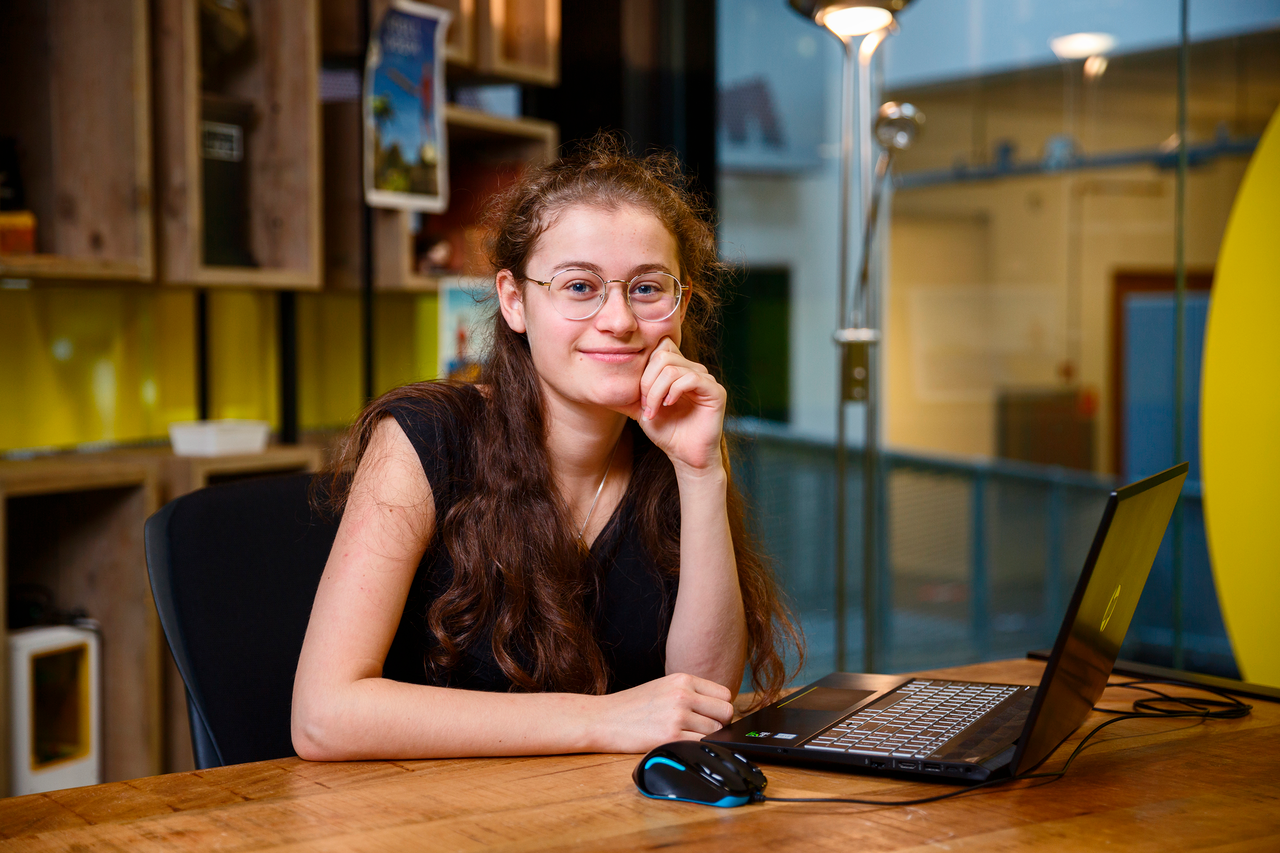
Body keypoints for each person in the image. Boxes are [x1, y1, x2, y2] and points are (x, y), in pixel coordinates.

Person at [292, 136, 803, 761]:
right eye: (580, 286)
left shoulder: (679, 441)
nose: (618, 319)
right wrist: (600, 720)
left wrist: (700, 473)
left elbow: (700, 701)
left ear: (682, 303)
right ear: (515, 300)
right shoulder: (425, 436)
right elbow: (324, 716)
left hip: (601, 817)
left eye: (647, 288)